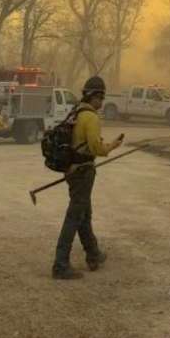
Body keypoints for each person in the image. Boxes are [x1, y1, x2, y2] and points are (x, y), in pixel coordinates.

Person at [52, 75, 124, 280]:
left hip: (72, 171)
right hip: (83, 172)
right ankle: (60, 264)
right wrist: (112, 146)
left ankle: (94, 255)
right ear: (94, 96)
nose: (102, 103)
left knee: (84, 215)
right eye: (101, 98)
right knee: (75, 217)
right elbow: (96, 148)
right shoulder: (91, 117)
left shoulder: (76, 111)